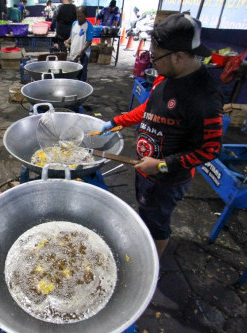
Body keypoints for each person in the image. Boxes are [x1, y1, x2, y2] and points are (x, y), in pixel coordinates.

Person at [99, 13, 223, 259]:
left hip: (167, 180)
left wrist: (163, 165)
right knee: (146, 212)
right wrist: (117, 121)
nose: (151, 60)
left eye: (155, 56)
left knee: (157, 223)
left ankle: (151, 266)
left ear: (178, 55)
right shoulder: (166, 78)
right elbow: (149, 108)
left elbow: (211, 149)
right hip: (146, 168)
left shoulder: (204, 98)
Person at [65, 6, 93, 82]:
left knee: (82, 71)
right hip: (74, 51)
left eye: (81, 17)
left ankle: (82, 87)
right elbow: (72, 37)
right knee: (72, 71)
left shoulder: (89, 25)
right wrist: (67, 41)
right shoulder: (74, 24)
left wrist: (82, 51)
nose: (79, 18)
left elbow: (89, 41)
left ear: (85, 16)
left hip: (83, 53)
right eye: (78, 16)